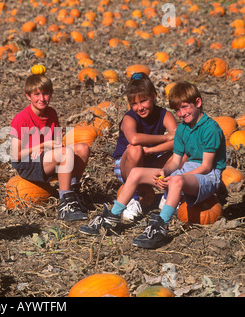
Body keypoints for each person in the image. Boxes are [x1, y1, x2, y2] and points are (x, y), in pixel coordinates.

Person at [79, 81, 226, 249]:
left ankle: (161, 226)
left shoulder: (210, 129)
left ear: (198, 103)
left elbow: (206, 167)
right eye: (177, 109)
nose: (181, 113)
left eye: (185, 107)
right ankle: (112, 217)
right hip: (185, 171)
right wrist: (164, 171)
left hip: (207, 176)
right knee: (136, 173)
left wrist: (176, 176)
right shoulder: (183, 129)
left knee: (177, 180)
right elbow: (176, 161)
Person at [10, 71, 90, 221]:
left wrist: (46, 148)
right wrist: (41, 146)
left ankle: (73, 192)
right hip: (27, 163)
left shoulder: (52, 113)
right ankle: (65, 203)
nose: (42, 98)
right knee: (65, 153)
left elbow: (57, 142)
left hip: (45, 156)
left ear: (51, 94)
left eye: (45, 94)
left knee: (83, 148)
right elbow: (16, 155)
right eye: (37, 94)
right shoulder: (21, 119)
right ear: (28, 96)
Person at [110, 72, 177, 222]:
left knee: (181, 153)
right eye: (134, 104)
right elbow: (134, 138)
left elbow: (179, 140)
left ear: (154, 96)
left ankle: (167, 197)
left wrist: (152, 150)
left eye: (143, 101)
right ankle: (133, 199)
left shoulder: (164, 115)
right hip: (126, 167)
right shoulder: (129, 118)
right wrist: (165, 137)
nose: (139, 107)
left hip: (151, 162)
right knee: (135, 148)